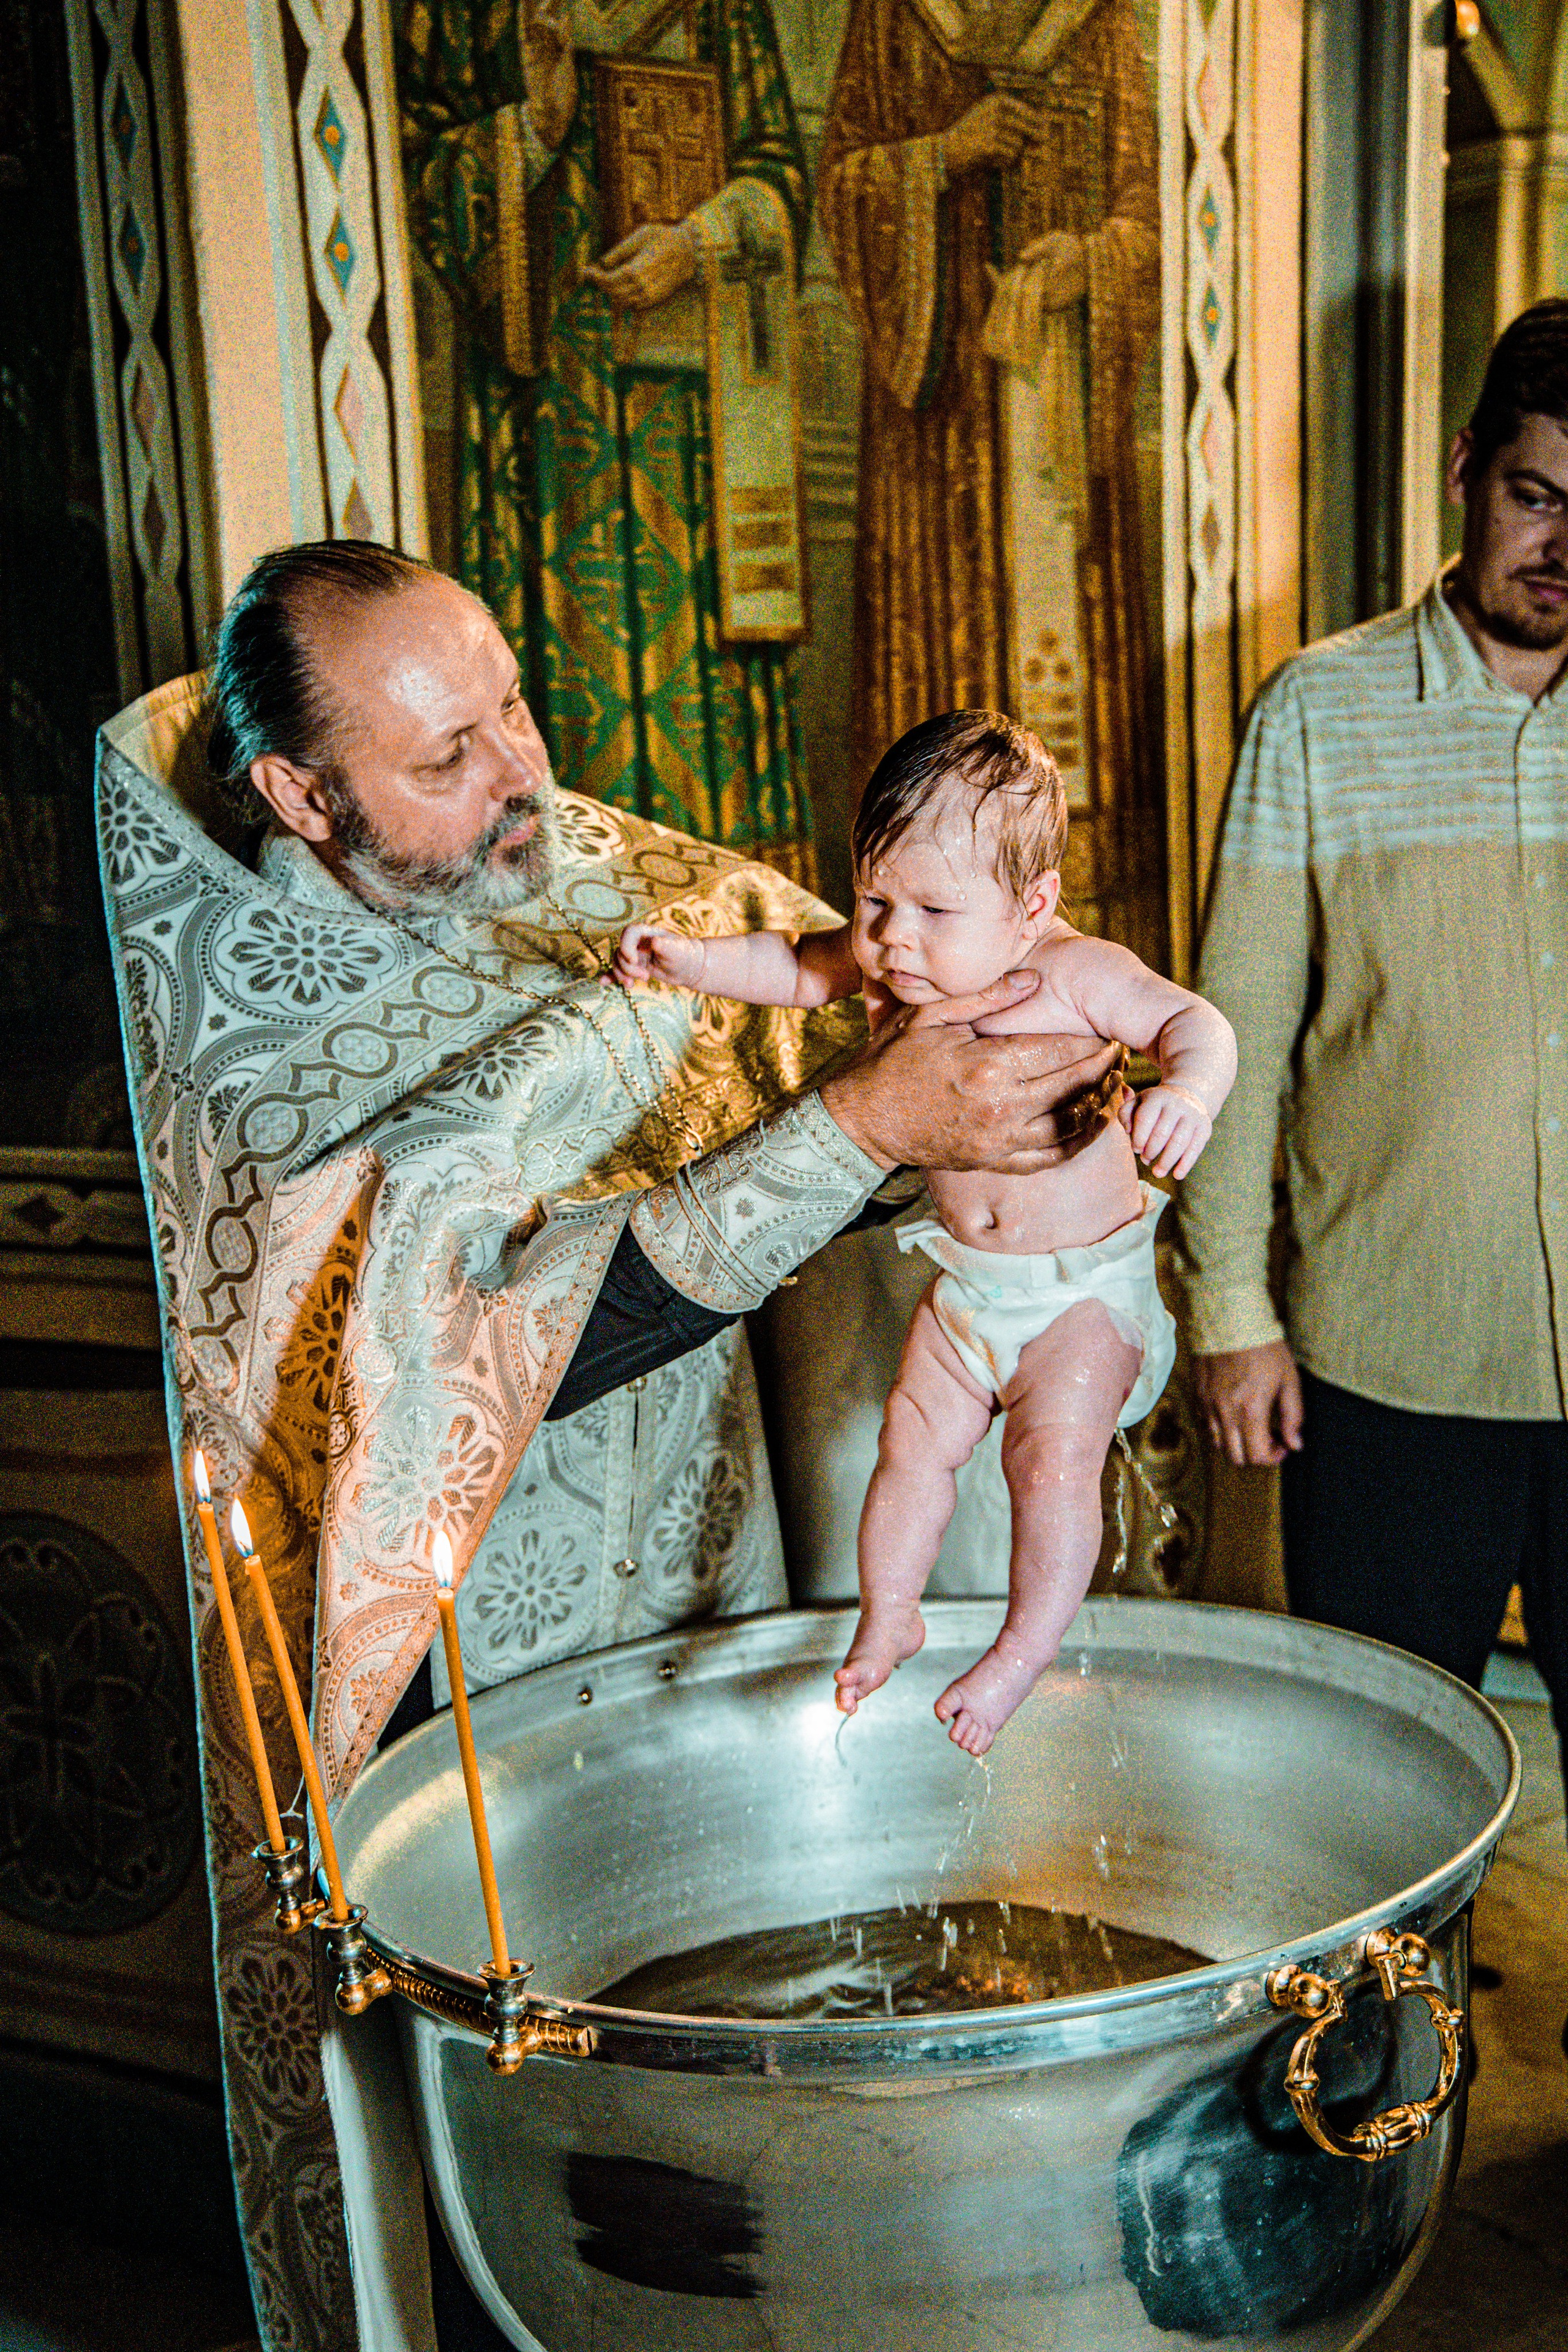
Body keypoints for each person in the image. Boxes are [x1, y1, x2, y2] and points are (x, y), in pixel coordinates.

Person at [97, 541, 1125, 2352]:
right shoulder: (262, 1045)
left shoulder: (610, 881)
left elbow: (845, 1045)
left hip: (700, 1566)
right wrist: (864, 1115)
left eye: (512, 703)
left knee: (732, 2133)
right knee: (540, 2168)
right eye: (447, 755)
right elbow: (449, 1365)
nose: (524, 774)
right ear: (299, 794)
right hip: (468, 1689)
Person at [619, 709, 1235, 1753]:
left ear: (1033, 906)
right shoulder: (894, 965)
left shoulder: (1077, 972)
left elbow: (1197, 1023)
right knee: (907, 1448)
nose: (893, 937)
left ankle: (1020, 1653)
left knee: (1048, 1465)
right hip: (966, 1291)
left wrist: (1191, 1095)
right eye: (875, 900)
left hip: (1082, 1294)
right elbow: (796, 969)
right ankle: (888, 1615)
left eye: (934, 909)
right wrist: (685, 958)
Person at [1180, 301, 1568, 1796]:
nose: (1557, 546)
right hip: (1387, 1367)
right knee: (1374, 1798)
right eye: (1534, 498)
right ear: (1466, 469)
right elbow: (1237, 1035)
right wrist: (1228, 1307)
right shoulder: (1316, 715)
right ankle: (1382, 2046)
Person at [815, 0, 1164, 960]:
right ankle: (930, 941)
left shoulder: (1095, 22)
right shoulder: (896, 20)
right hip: (942, 433)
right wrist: (941, 157)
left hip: (1057, 397)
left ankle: (1074, 932)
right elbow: (843, 190)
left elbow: (1150, 215)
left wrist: (1086, 265)